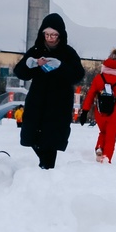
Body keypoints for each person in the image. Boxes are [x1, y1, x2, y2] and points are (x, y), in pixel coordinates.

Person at [14, 13, 85, 169]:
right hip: (37, 101)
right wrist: (30, 64)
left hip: (58, 104)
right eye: (47, 34)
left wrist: (60, 66)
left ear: (60, 34)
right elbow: (20, 72)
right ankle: (44, 166)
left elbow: (78, 75)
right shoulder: (36, 50)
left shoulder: (68, 52)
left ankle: (47, 170)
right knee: (32, 137)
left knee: (51, 140)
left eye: (54, 34)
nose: (50, 38)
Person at [79, 48, 116, 163]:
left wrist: (85, 111)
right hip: (114, 113)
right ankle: (106, 158)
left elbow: (90, 95)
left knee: (103, 132)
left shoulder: (99, 78)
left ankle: (99, 147)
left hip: (99, 111)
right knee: (111, 137)